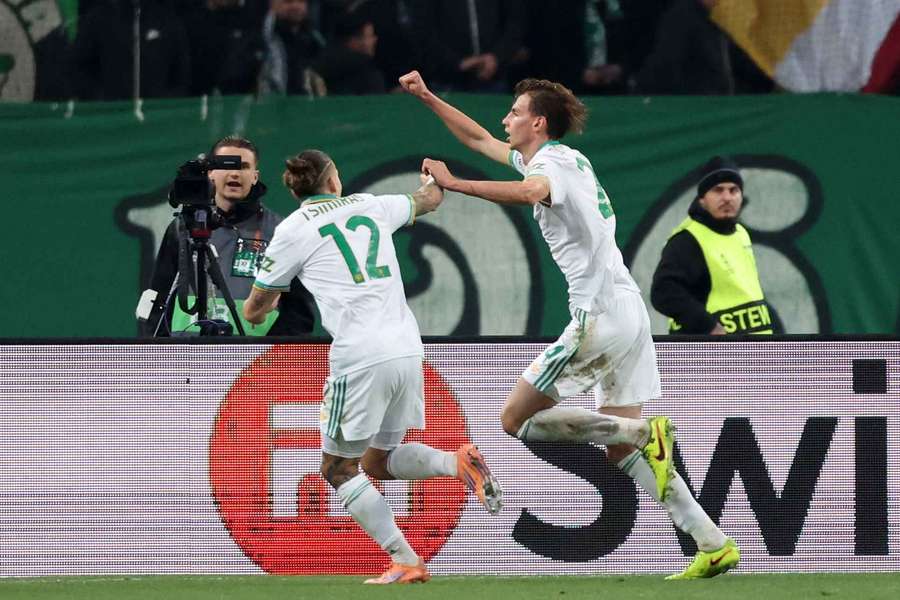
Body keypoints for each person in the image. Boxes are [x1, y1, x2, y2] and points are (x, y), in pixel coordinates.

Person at [399, 69, 740, 579]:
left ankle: (644, 430)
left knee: (514, 419)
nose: (505, 119)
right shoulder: (565, 157)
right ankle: (710, 542)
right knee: (621, 450)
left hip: (598, 316)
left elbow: (530, 191)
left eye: (514, 112)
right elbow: (479, 139)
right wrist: (428, 98)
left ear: (537, 122)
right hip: (629, 311)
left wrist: (454, 184)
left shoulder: (551, 165)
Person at [242, 149, 502, 584]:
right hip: (406, 350)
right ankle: (456, 463)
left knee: (338, 468)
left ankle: (405, 559)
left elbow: (255, 309)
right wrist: (435, 176)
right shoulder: (371, 205)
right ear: (333, 180)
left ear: (296, 190)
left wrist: (266, 301)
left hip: (360, 356)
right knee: (378, 462)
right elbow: (429, 199)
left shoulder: (291, 230)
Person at [141, 135, 315, 337]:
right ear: (210, 173)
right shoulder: (182, 227)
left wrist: (269, 356)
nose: (234, 173)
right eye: (226, 165)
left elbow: (299, 312)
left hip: (256, 360)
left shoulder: (281, 230)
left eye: (243, 166)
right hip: (186, 356)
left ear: (255, 176)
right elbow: (157, 296)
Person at [651, 156, 775, 335]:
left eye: (734, 190)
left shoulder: (741, 233)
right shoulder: (688, 239)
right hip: (709, 355)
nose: (727, 197)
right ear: (702, 199)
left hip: (750, 352)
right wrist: (708, 326)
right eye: (718, 190)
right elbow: (663, 293)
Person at [312, 10, 386, 95]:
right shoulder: (368, 73)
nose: (375, 40)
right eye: (370, 36)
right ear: (353, 41)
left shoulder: (321, 68)